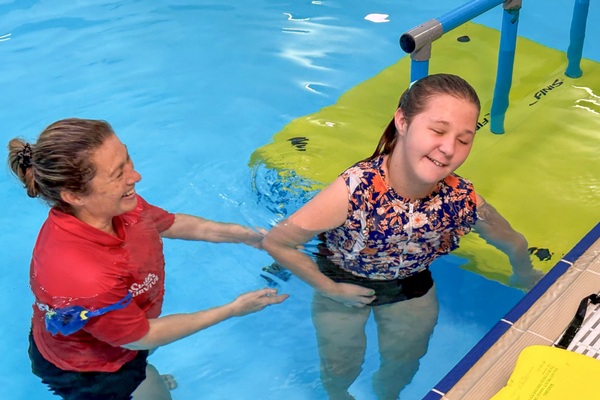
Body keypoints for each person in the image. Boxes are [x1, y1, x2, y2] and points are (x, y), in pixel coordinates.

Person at [263, 74, 543, 400]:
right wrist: (330, 288)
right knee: (340, 367)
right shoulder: (354, 191)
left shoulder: (461, 199)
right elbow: (277, 241)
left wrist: (523, 272)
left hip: (411, 285)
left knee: (404, 364)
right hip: (341, 278)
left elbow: (513, 241)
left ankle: (388, 396)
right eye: (437, 131)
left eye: (464, 139)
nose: (449, 148)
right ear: (402, 121)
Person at [7, 118, 288, 400]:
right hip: (91, 371)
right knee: (152, 389)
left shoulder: (117, 205)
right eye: (118, 174)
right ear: (74, 196)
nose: (136, 176)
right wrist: (234, 308)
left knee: (142, 361)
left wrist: (241, 234)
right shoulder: (83, 274)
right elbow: (145, 336)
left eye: (127, 159)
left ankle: (142, 378)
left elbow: (170, 223)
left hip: (123, 332)